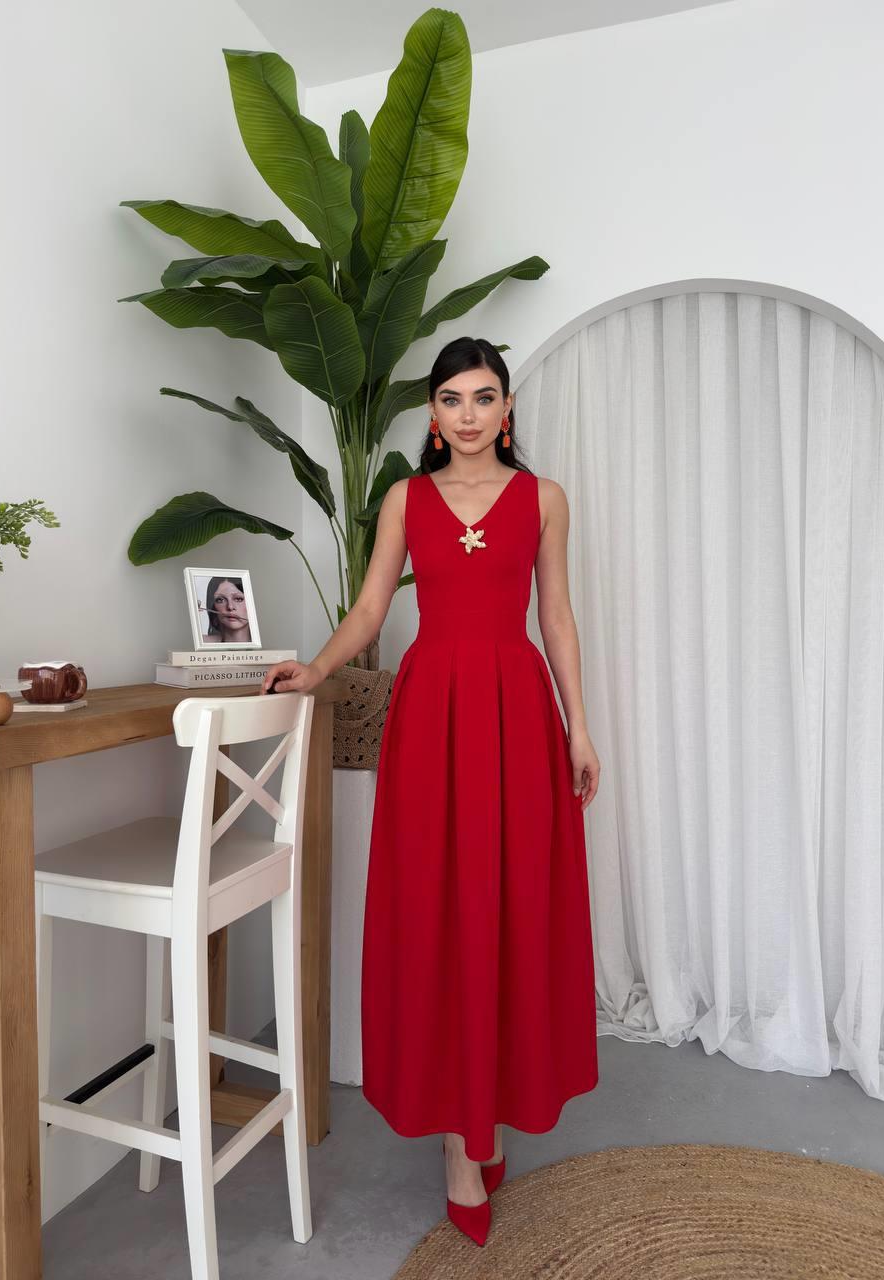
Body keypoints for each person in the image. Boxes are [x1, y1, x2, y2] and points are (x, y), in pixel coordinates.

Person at [261, 336, 601, 1247]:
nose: (469, 414)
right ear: (434, 414)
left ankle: (490, 1109)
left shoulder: (545, 499)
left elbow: (556, 615)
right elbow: (373, 608)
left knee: (508, 909)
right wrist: (316, 671)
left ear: (507, 408)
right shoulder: (407, 500)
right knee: (442, 909)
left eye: (484, 397)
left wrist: (578, 725)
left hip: (516, 712)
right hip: (433, 716)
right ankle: (461, 1141)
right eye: (452, 399)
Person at [199, 576, 252, 644]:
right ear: (213, 607)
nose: (230, 607)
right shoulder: (201, 642)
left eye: (238, 599)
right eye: (220, 600)